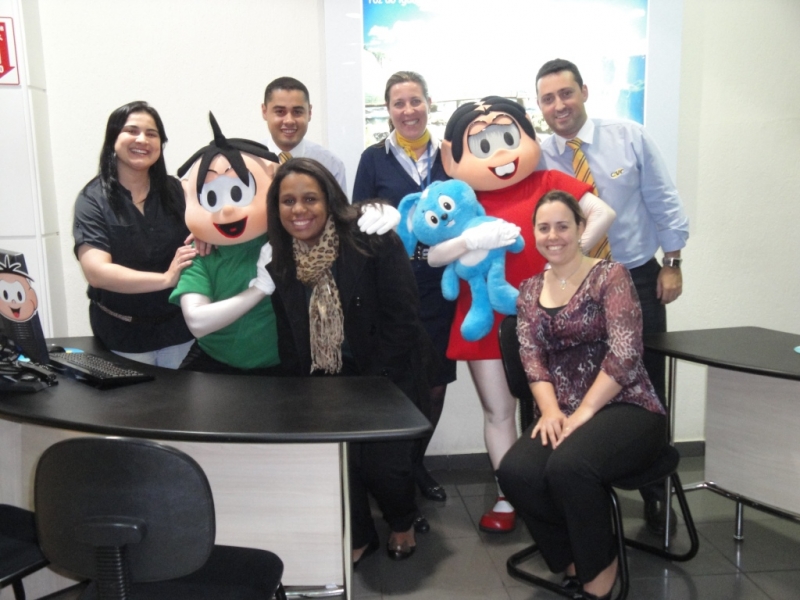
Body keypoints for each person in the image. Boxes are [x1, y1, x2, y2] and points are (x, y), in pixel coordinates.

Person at [433, 96, 616, 533]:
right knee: (498, 410)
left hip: (550, 315)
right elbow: (436, 255)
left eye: (507, 137)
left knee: (559, 406)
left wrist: (568, 261)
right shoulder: (460, 197)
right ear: (451, 155)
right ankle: (510, 494)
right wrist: (470, 240)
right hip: (483, 319)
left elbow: (602, 213)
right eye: (482, 144)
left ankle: (561, 487)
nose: (498, 153)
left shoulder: (550, 180)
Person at [535, 58, 690, 535]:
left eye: (566, 94)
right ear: (539, 106)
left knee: (646, 380)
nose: (559, 106)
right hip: (573, 286)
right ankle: (581, 483)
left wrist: (674, 262)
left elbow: (662, 197)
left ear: (583, 91)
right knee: (580, 380)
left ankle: (655, 490)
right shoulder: (538, 154)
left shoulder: (629, 136)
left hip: (637, 274)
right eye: (548, 99)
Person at [497, 190, 667, 600]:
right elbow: (532, 358)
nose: (553, 235)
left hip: (626, 404)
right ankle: (572, 555)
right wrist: (552, 411)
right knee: (515, 471)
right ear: (534, 233)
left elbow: (626, 352)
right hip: (566, 407)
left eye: (562, 226)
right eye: (544, 227)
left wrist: (585, 412)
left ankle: (600, 566)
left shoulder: (611, 275)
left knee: (569, 467)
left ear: (579, 229)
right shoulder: (529, 289)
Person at [266, 157, 432, 565]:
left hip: (386, 371)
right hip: (324, 376)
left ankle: (401, 520)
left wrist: (375, 383)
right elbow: (289, 331)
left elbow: (403, 317)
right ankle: (358, 533)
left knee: (383, 464)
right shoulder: (280, 258)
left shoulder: (369, 239)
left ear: (330, 200)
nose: (298, 210)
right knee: (334, 460)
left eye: (309, 199)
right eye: (287, 201)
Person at [352, 71, 453, 511]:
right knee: (398, 384)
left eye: (415, 101)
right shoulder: (373, 159)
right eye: (399, 103)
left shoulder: (452, 155)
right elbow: (357, 221)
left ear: (429, 102)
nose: (408, 110)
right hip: (391, 289)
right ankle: (393, 471)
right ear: (387, 109)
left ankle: (416, 465)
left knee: (435, 385)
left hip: (442, 287)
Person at [73, 100, 196, 368]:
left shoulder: (178, 192)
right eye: (132, 130)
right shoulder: (92, 200)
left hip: (180, 332)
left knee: (185, 408)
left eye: (152, 134)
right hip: (122, 337)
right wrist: (165, 279)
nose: (142, 139)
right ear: (113, 139)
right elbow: (97, 272)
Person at [261, 76, 347, 189]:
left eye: (297, 112)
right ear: (264, 111)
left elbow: (339, 207)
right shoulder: (248, 162)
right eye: (280, 112)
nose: (289, 121)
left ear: (309, 113)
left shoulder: (331, 166)